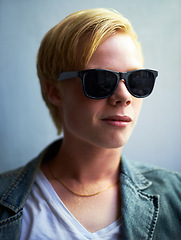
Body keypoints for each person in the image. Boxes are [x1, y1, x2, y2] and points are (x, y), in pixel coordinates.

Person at [0, 8, 180, 240]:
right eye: (100, 80)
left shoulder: (176, 196)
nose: (124, 96)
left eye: (137, 80)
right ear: (55, 91)